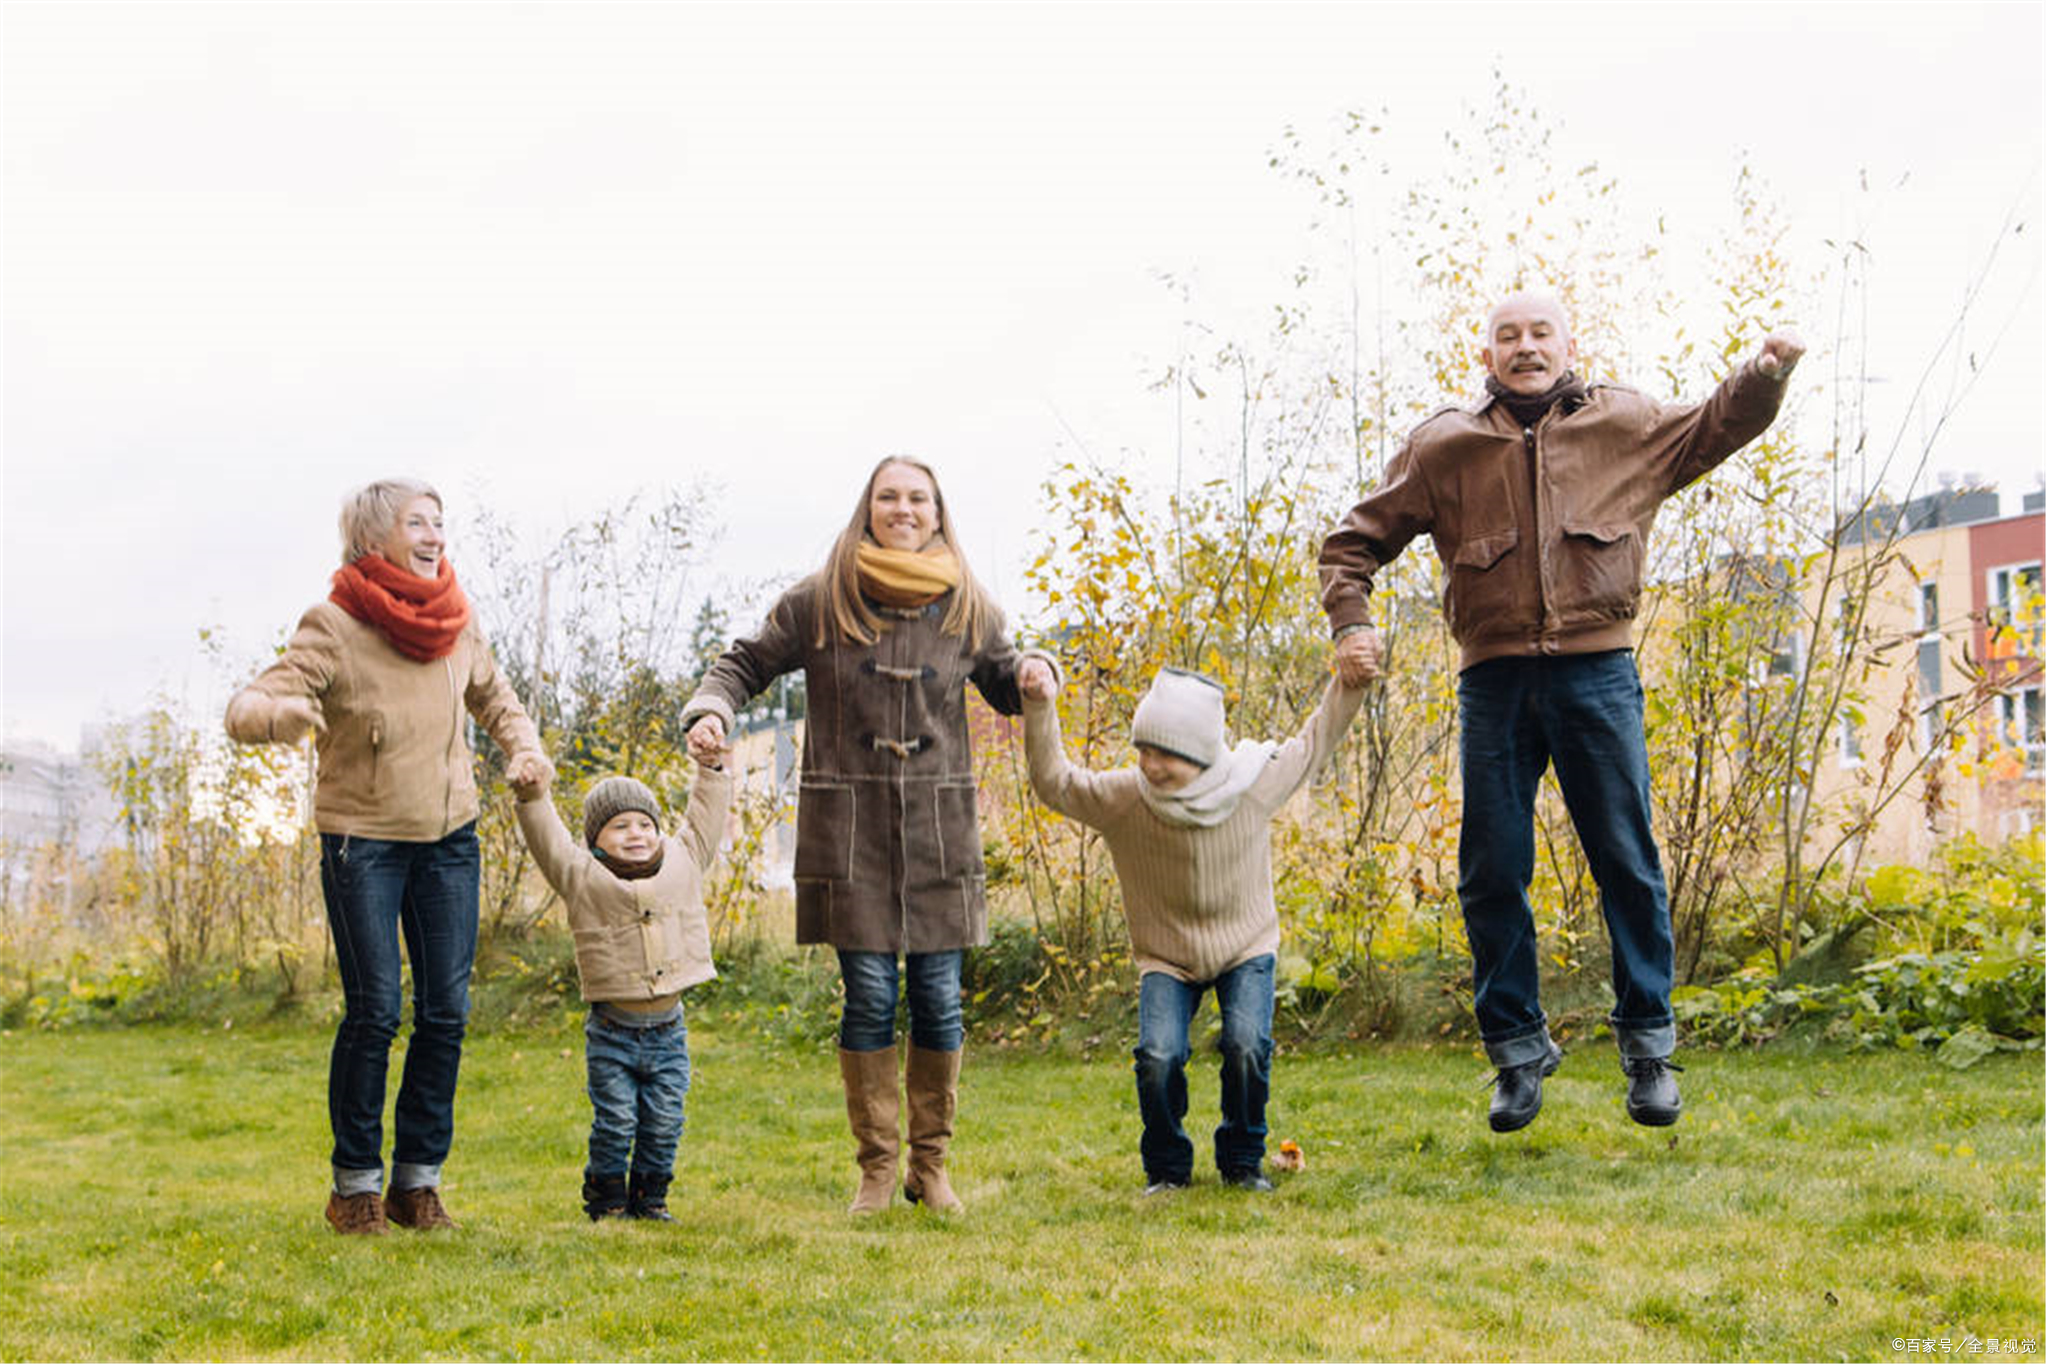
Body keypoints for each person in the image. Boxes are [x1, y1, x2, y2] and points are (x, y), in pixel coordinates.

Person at [1318, 291, 1803, 1132]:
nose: (1526, 347)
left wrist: (1764, 374)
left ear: (1568, 346)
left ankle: (1648, 1051)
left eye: (1541, 333)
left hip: (1597, 675)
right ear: (1486, 357)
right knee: (1491, 871)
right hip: (1495, 684)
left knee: (1627, 860)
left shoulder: (1624, 424)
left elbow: (1714, 425)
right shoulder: (1443, 447)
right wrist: (1351, 622)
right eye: (1508, 336)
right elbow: (1351, 544)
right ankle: (1516, 1053)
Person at [679, 457, 1055, 1214]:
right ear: (868, 507)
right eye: (889, 497)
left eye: (918, 498)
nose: (903, 509)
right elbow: (743, 663)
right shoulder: (822, 599)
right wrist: (710, 710)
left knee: (940, 1000)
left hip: (940, 834)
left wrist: (1036, 673)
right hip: (850, 834)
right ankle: (878, 1169)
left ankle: (930, 1167)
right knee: (871, 996)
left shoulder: (968, 603)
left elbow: (1008, 682)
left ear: (938, 512)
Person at [226, 478, 549, 1232]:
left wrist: (524, 749)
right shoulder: (334, 624)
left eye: (439, 522)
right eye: (418, 523)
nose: (436, 535)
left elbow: (497, 699)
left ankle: (416, 1184)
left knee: (446, 1012)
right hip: (362, 840)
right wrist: (282, 715)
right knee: (375, 1012)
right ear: (375, 539)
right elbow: (245, 707)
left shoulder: (458, 620)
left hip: (449, 840)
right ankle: (354, 1188)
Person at [1020, 659, 1368, 1193]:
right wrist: (1039, 704)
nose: (1149, 764)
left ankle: (1242, 1162)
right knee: (1158, 1057)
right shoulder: (1125, 798)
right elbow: (1055, 784)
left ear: (1201, 754)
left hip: (1246, 944)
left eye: (1164, 754)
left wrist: (1350, 683)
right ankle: (1167, 1170)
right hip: (1166, 955)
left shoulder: (1253, 784)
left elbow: (1315, 742)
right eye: (1143, 750)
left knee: (1246, 1046)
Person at [509, 761, 732, 1223]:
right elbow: (549, 841)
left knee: (665, 1120)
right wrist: (533, 796)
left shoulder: (683, 861)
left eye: (645, 824)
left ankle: (651, 1199)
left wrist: (711, 769)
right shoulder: (581, 875)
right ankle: (607, 1199)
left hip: (669, 1032)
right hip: (612, 1032)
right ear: (595, 839)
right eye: (620, 826)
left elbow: (704, 820)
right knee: (616, 1121)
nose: (636, 834)